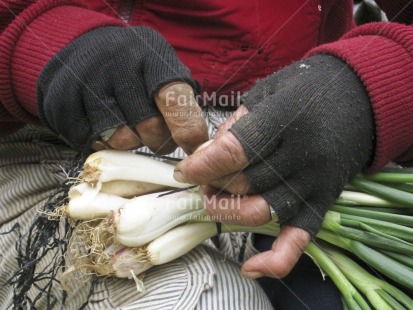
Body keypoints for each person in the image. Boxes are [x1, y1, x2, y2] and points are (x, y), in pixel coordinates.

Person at [0, 0, 412, 309]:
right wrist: (38, 44)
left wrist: (377, 82)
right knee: (211, 300)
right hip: (60, 141)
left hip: (307, 153)